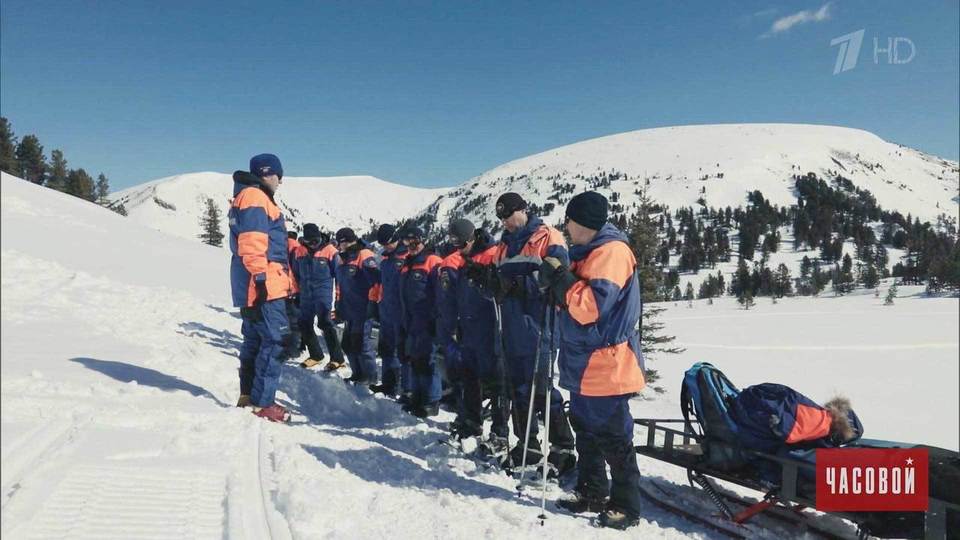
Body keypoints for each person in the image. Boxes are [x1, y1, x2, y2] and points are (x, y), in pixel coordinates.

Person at [537, 191, 644, 529]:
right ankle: (592, 489)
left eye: (570, 220)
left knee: (613, 435)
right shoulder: (587, 252)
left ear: (583, 223)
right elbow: (570, 301)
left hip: (607, 363)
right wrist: (554, 285)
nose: (566, 227)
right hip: (584, 362)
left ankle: (626, 504)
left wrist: (562, 282)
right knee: (585, 429)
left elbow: (591, 308)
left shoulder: (612, 253)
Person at [483, 192, 576, 475]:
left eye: (510, 217)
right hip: (511, 329)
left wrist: (520, 285)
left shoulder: (548, 237)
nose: (507, 223)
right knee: (518, 389)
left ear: (523, 210)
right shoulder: (504, 245)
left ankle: (563, 446)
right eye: (502, 219)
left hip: (539, 327)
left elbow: (559, 281)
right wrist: (490, 285)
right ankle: (528, 443)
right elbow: (498, 286)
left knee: (542, 390)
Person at [228, 153, 296, 422]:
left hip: (251, 283)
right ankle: (262, 402)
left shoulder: (245, 196)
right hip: (264, 284)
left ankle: (249, 396)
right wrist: (261, 281)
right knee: (276, 341)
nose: (280, 182)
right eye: (279, 177)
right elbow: (253, 244)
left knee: (255, 339)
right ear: (270, 174)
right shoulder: (256, 198)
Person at [449, 219, 511, 458]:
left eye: (461, 242)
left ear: (472, 238)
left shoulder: (493, 255)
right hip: (469, 328)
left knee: (496, 383)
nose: (458, 248)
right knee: (470, 380)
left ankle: (500, 432)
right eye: (454, 243)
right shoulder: (464, 258)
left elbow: (499, 292)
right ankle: (472, 424)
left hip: (490, 330)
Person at [398, 226, 443, 417]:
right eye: (407, 243)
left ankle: (431, 400)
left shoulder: (432, 261)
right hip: (411, 319)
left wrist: (437, 318)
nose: (411, 247)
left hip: (427, 319)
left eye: (414, 242)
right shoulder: (407, 263)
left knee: (427, 360)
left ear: (423, 240)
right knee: (414, 359)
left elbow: (441, 293)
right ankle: (417, 396)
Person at [330, 227, 380, 384]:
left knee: (361, 344)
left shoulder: (364, 255)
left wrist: (372, 304)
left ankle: (370, 377)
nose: (339, 246)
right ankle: (357, 373)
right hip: (348, 308)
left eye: (341, 243)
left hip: (363, 309)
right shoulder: (341, 258)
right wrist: (338, 304)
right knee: (348, 344)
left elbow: (376, 283)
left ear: (347, 241)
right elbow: (339, 285)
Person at [292, 223, 345, 369]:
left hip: (323, 293)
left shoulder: (330, 251)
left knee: (325, 323)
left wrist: (339, 298)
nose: (314, 244)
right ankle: (316, 355)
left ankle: (337, 359)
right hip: (306, 295)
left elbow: (340, 277)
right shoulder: (299, 251)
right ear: (305, 240)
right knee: (304, 323)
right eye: (310, 242)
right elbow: (294, 275)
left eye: (316, 240)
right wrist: (296, 292)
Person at [369, 224, 406, 398]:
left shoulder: (406, 258)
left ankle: (400, 386)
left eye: (388, 243)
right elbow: (381, 286)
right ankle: (388, 383)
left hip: (401, 312)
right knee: (386, 349)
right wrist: (377, 303)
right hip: (386, 311)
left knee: (402, 351)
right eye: (383, 244)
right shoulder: (384, 262)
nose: (386, 247)